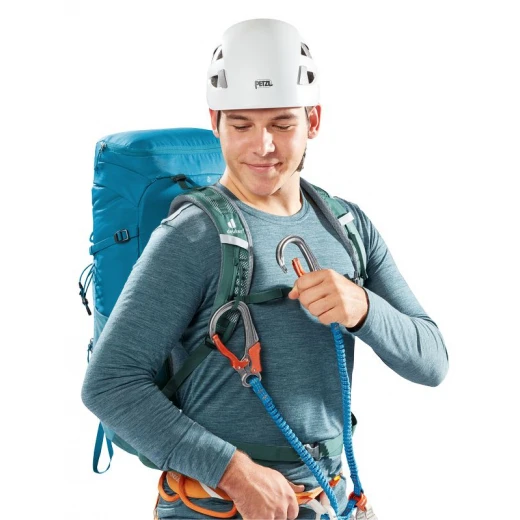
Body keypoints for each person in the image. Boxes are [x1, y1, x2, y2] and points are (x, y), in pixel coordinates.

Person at [81, 18, 449, 520]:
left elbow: (432, 361)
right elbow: (109, 384)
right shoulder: (193, 235)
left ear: (313, 120)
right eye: (241, 126)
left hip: (328, 500)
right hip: (218, 507)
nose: (263, 146)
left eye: (281, 124)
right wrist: (233, 472)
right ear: (215, 121)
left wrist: (363, 308)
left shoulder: (347, 227)